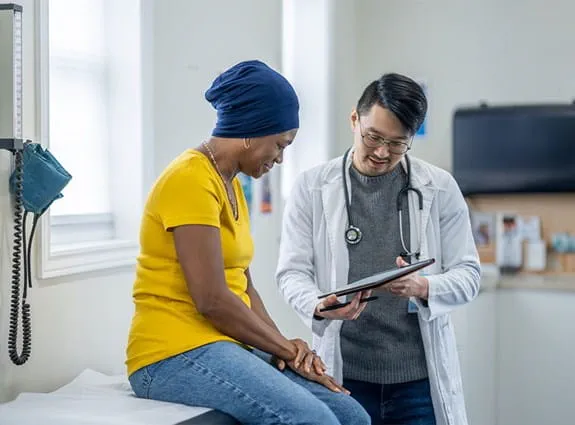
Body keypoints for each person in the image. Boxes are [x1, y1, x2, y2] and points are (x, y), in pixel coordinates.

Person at [125, 60, 370, 425]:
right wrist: (284, 349)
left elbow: (243, 285)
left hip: (223, 343)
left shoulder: (232, 184)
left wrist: (286, 347)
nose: (281, 158)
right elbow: (212, 299)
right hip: (169, 353)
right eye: (279, 145)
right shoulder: (190, 179)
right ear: (252, 131)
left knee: (352, 416)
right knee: (313, 420)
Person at [276, 72, 481, 425]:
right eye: (373, 137)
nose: (383, 152)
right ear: (354, 119)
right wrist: (318, 304)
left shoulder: (440, 187)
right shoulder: (311, 187)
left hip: (417, 381)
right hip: (345, 376)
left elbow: (469, 274)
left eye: (398, 143)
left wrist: (424, 287)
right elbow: (292, 272)